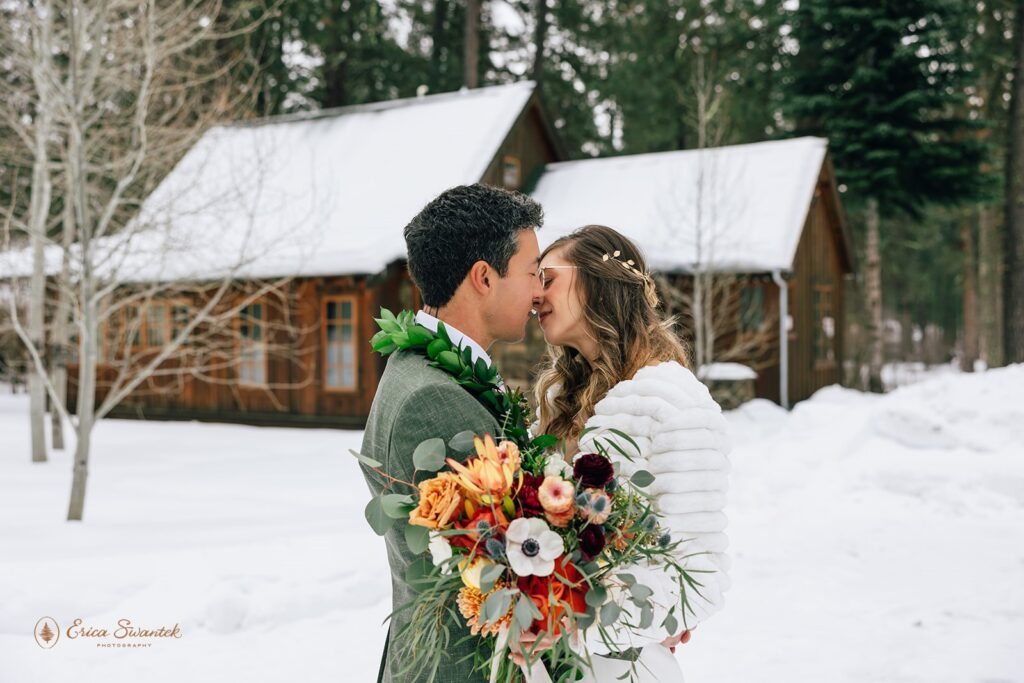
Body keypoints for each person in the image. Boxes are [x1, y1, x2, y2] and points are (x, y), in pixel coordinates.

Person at [360, 183, 544, 683]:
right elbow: (495, 571)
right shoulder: (434, 400)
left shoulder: (422, 370)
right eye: (532, 272)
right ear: (484, 277)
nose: (540, 291)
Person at [533, 224, 731, 682]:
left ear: (597, 283)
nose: (534, 296)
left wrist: (569, 620)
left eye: (548, 278)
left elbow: (696, 576)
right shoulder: (561, 399)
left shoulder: (674, 403)